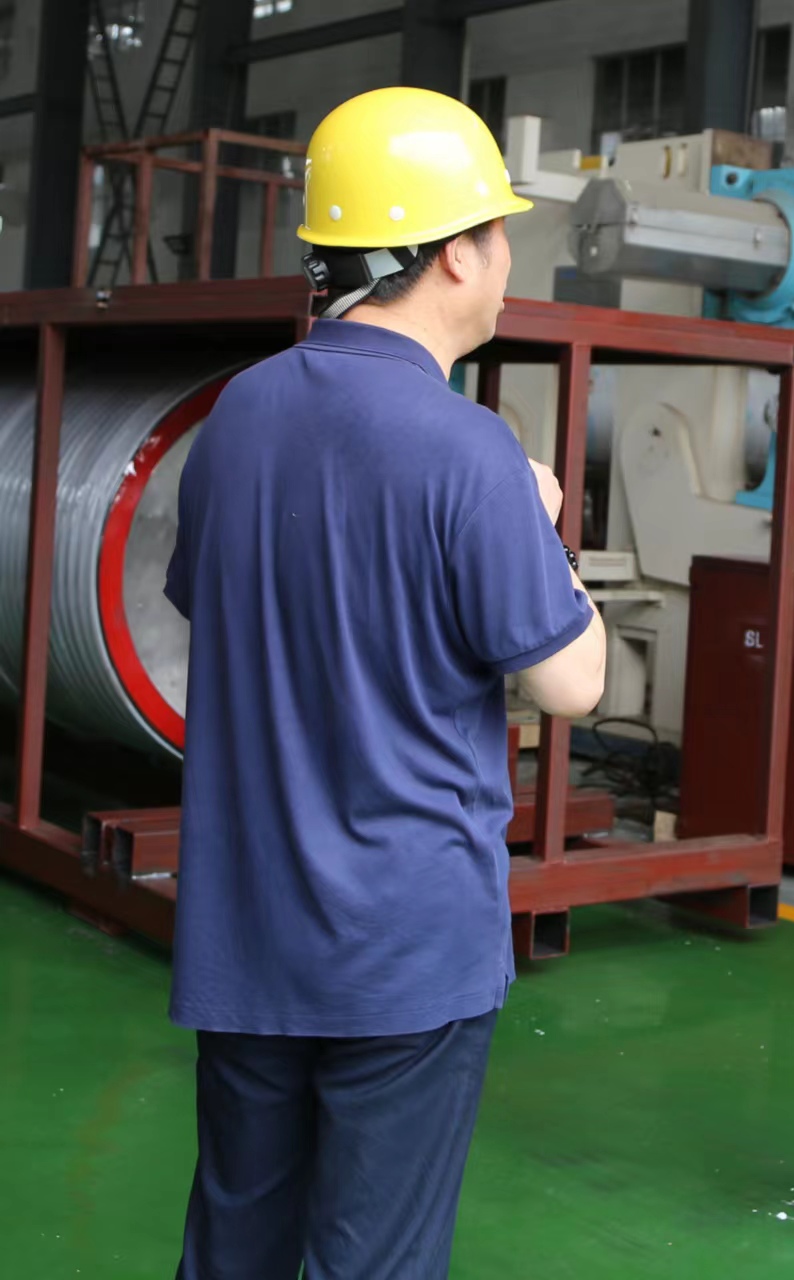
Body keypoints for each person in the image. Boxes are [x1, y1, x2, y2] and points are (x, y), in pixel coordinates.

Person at [165, 86, 605, 1279]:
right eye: (501, 234)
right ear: (457, 249)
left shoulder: (237, 416)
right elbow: (573, 680)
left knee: (237, 1240)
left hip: (247, 922)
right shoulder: (467, 447)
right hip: (402, 944)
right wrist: (544, 529)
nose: (505, 264)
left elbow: (228, 612)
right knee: (373, 1257)